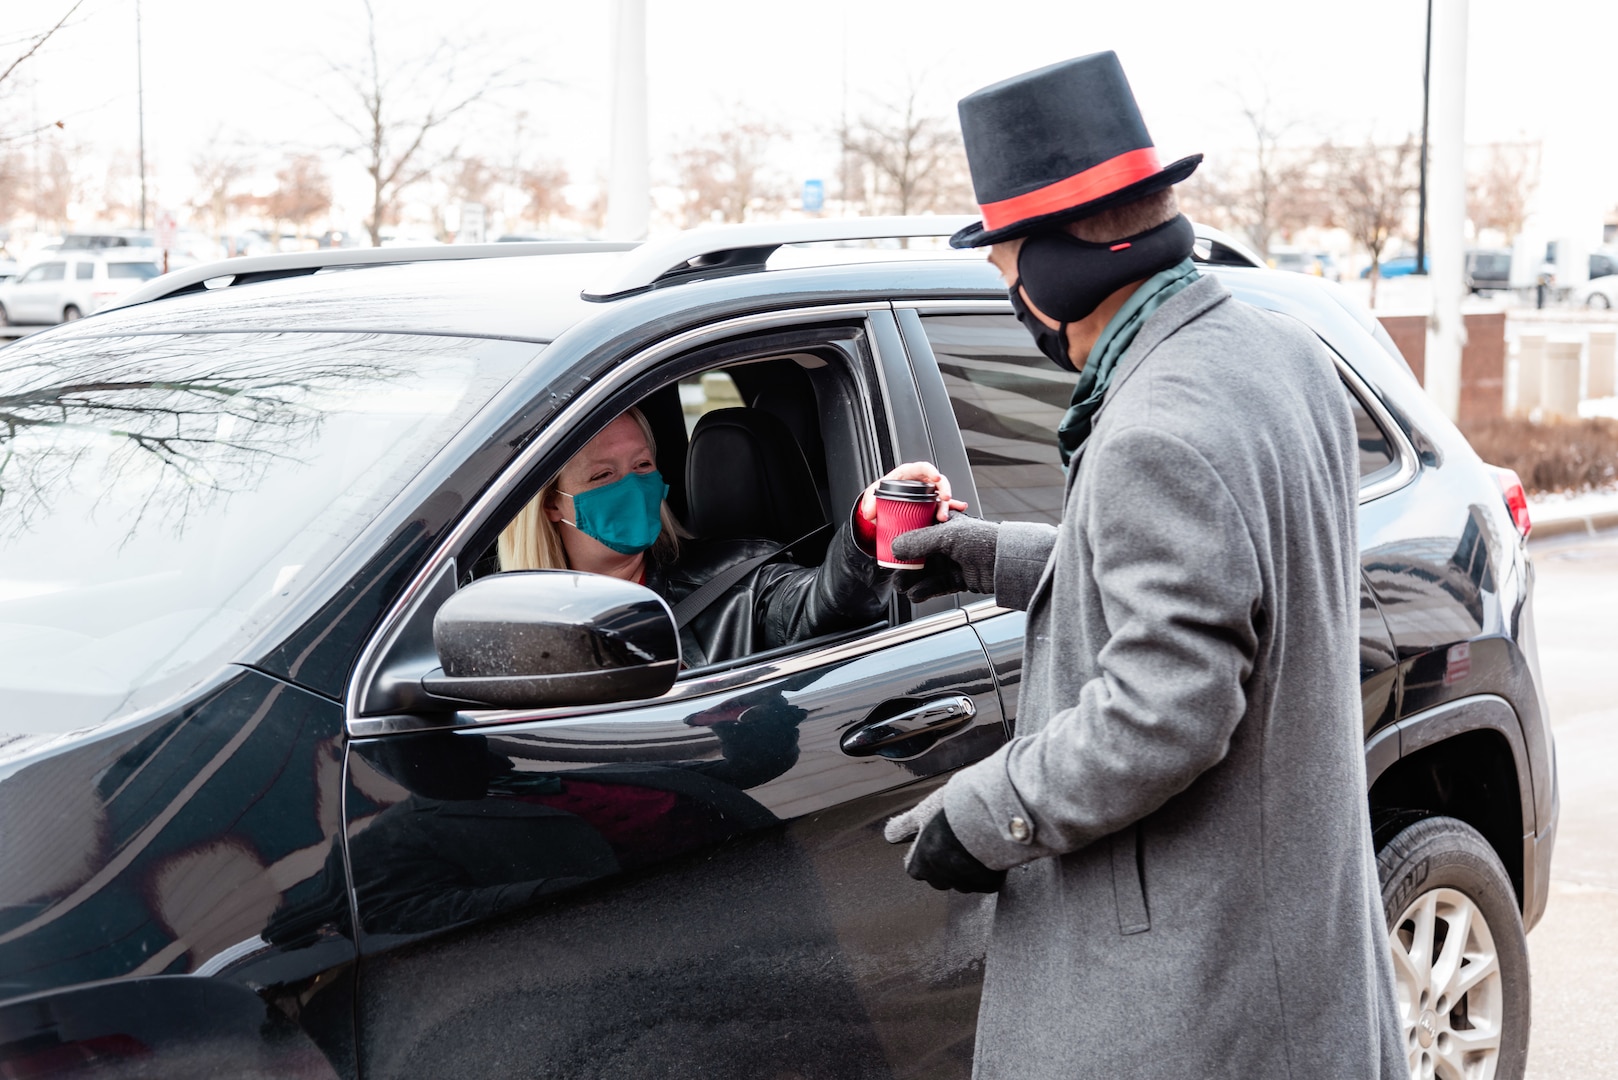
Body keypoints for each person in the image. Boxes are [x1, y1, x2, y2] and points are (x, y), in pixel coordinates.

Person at [882, 52, 1403, 1078]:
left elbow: (1164, 710)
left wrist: (982, 815)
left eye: (1002, 267)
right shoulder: (1277, 352)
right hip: (1295, 955)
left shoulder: (1151, 431)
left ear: (1058, 264)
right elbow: (1238, 573)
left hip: (1189, 996)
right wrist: (994, 557)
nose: (1007, 296)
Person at [497, 405, 963, 668]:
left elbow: (821, 608)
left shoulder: (738, 579)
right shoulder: (496, 609)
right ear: (552, 503)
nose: (632, 486)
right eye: (602, 475)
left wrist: (868, 523)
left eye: (642, 466)